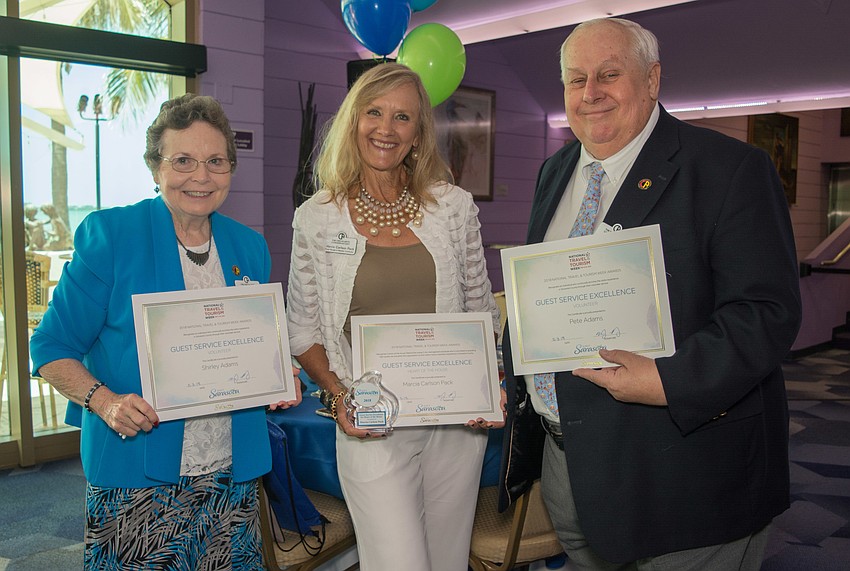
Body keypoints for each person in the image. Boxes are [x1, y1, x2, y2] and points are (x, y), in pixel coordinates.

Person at [499, 18, 802, 570]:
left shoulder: (729, 168)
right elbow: (545, 291)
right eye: (576, 79)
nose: (591, 92)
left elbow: (766, 312)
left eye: (609, 74)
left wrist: (670, 380)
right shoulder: (555, 171)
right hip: (569, 468)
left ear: (653, 79)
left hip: (684, 475)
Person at [30, 93, 301, 570]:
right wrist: (105, 401)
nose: (201, 176)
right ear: (155, 167)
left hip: (232, 474)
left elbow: (254, 342)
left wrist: (278, 375)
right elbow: (50, 347)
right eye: (183, 161)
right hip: (137, 472)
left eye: (215, 161)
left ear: (231, 169)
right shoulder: (112, 236)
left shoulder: (249, 246)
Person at [286, 62, 502, 570]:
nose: (386, 128)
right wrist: (337, 395)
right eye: (374, 112)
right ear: (353, 121)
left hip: (455, 423)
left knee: (447, 561)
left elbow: (480, 310)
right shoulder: (318, 217)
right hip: (370, 424)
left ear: (418, 132)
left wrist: (490, 382)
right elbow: (303, 329)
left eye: (402, 117)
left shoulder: (453, 208)